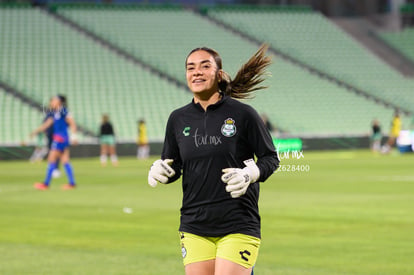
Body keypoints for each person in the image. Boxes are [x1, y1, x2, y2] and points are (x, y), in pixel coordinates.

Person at [147, 44, 279, 275]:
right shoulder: (177, 119)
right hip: (194, 224)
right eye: (191, 67)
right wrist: (161, 171)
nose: (196, 72)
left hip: (238, 223)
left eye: (204, 66)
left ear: (218, 74)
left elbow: (270, 158)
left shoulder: (243, 114)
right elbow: (173, 165)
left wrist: (249, 174)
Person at [31, 95, 78, 190]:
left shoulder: (63, 111)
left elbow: (72, 122)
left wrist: (74, 136)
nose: (51, 103)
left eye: (53, 101)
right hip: (62, 138)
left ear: (59, 102)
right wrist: (36, 132)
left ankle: (46, 184)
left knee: (51, 158)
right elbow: (47, 124)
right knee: (65, 160)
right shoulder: (55, 113)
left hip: (60, 138)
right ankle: (72, 183)